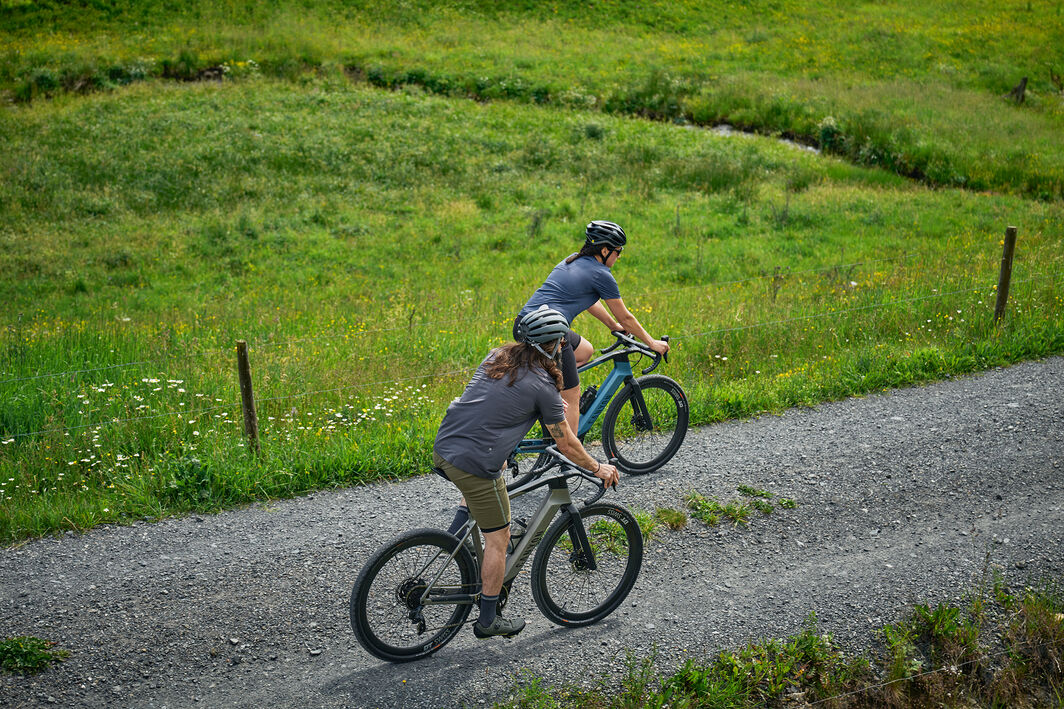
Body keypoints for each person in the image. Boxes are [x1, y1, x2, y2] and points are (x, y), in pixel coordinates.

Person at [434, 305, 620, 639]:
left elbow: (496, 401)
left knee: (493, 480)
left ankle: (452, 544)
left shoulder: (498, 355)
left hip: (447, 446)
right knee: (499, 537)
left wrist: (543, 409)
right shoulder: (543, 387)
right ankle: (488, 619)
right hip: (475, 462)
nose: (564, 346)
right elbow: (566, 444)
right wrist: (597, 466)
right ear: (552, 346)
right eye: (561, 342)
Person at [514, 220, 670, 437]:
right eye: (618, 251)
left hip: (525, 324)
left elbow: (588, 299)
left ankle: (548, 397)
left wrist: (611, 325)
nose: (619, 256)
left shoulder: (572, 260)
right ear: (605, 250)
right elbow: (626, 317)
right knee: (573, 395)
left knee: (586, 350)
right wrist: (652, 343)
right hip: (548, 335)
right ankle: (569, 456)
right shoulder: (601, 274)